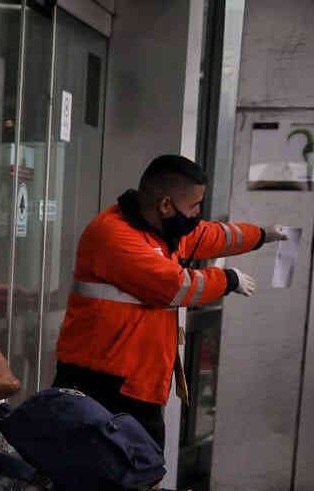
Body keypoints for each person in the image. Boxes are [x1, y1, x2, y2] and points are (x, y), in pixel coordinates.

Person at [54, 155, 287, 448]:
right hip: (102, 379)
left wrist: (262, 235)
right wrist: (228, 279)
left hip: (133, 376)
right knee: (100, 469)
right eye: (194, 206)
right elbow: (175, 286)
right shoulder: (114, 236)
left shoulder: (161, 232)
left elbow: (212, 235)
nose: (198, 214)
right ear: (165, 205)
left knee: (133, 470)